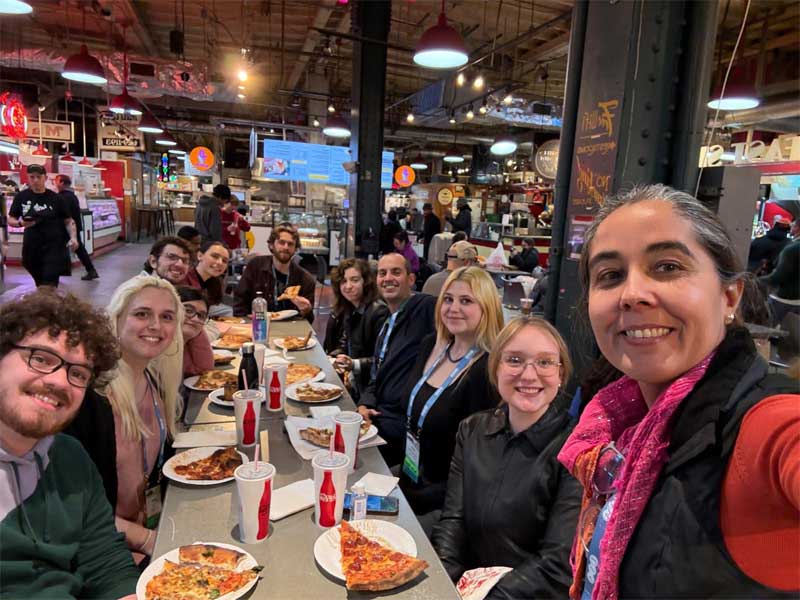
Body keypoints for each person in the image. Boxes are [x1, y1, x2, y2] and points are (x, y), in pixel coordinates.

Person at [558, 184, 800, 599]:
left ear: (729, 296)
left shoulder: (764, 422)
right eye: (611, 275)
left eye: (667, 267)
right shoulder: (615, 425)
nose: (632, 294)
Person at [0, 289, 139, 599]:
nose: (59, 381)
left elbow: (104, 562)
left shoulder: (68, 456)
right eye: (41, 358)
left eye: (77, 373)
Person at [432, 316, 582, 598]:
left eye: (545, 362)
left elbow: (557, 565)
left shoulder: (576, 450)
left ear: (561, 374)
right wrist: (443, 584)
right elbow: (453, 520)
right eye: (514, 360)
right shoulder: (472, 429)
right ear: (496, 368)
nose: (529, 375)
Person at [66, 276, 184, 564]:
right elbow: (74, 508)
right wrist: (148, 540)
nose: (155, 325)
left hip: (152, 527)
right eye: (142, 314)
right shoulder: (90, 400)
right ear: (115, 320)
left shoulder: (155, 381)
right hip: (103, 551)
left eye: (167, 317)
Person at [399, 267, 503, 520]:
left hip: (442, 504)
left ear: (487, 308)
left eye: (466, 301)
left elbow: (478, 466)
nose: (453, 308)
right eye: (448, 299)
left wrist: (420, 500)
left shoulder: (487, 371)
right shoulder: (430, 346)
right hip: (409, 478)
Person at [358, 253, 436, 466]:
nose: (388, 278)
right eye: (382, 273)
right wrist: (365, 403)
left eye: (396, 272)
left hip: (403, 428)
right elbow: (376, 376)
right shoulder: (386, 324)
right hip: (378, 418)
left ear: (411, 279)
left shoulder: (425, 307)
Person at [325, 258, 389, 395]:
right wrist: (334, 357)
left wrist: (354, 364)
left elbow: (383, 359)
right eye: (343, 281)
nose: (348, 286)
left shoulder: (379, 312)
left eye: (354, 280)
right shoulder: (350, 306)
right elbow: (347, 342)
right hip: (356, 381)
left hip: (371, 388)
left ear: (366, 282)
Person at [7, 164, 78, 287]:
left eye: (38, 177)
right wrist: (20, 223)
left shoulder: (56, 198)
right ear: (28, 178)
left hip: (53, 246)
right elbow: (11, 218)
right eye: (32, 177)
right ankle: (44, 293)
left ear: (45, 178)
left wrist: (73, 237)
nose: (35, 180)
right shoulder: (21, 197)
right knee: (39, 280)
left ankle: (48, 295)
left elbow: (69, 220)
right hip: (31, 246)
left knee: (49, 280)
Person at [233, 224, 315, 321]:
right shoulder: (255, 266)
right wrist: (244, 323)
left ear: (295, 249)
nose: (286, 247)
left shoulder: (306, 280)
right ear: (271, 245)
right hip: (257, 323)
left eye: (290, 244)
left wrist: (307, 310)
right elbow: (240, 302)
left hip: (290, 327)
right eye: (281, 242)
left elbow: (308, 321)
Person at [55, 174, 99, 280]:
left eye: (56, 181)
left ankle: (89, 270)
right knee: (78, 248)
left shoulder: (63, 196)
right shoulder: (72, 195)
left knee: (71, 248)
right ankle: (90, 270)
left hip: (67, 227)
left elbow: (65, 214)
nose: (55, 183)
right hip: (74, 226)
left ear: (62, 183)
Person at [759, 232, 800, 326]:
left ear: (797, 228)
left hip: (782, 299)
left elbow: (778, 277)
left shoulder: (791, 249)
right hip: (798, 301)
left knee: (766, 329)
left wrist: (756, 280)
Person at [183, 240, 231, 316]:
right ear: (200, 256)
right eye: (215, 256)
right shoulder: (183, 278)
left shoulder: (217, 283)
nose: (220, 262)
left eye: (224, 261)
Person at [177, 287, 214, 377]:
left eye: (201, 315)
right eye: (188, 311)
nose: (195, 319)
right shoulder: (155, 347)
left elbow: (205, 371)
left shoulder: (189, 345)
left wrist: (198, 330)